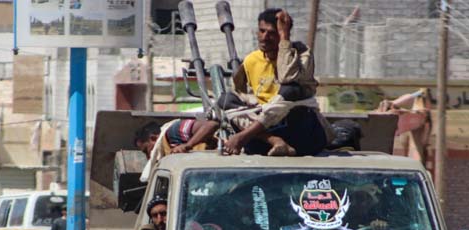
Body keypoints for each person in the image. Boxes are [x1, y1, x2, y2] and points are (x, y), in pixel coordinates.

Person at [221, 8, 332, 156]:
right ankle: (274, 141)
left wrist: (284, 38)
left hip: (302, 131)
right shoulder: (251, 60)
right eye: (261, 31)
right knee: (226, 99)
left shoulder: (301, 53)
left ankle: (245, 136)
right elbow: (238, 97)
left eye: (272, 33)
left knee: (291, 89)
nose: (265, 37)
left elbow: (288, 77)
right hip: (266, 133)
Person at [135, 119, 220, 182]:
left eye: (146, 150)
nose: (148, 157)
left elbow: (212, 125)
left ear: (153, 138)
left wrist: (187, 146)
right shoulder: (166, 151)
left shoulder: (173, 132)